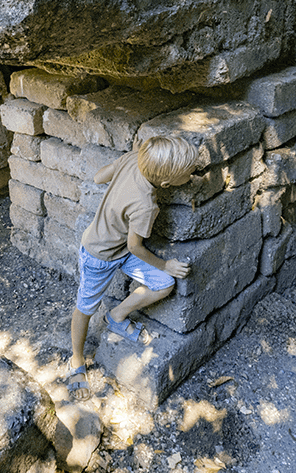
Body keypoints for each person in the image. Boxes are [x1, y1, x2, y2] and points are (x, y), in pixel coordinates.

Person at [66, 134, 199, 401]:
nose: (192, 177)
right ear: (165, 183)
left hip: (119, 250)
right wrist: (166, 264)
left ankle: (116, 316)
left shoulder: (131, 159)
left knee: (163, 284)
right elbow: (136, 246)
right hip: (100, 255)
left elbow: (98, 177)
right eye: (189, 174)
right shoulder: (146, 206)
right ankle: (76, 360)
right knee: (85, 307)